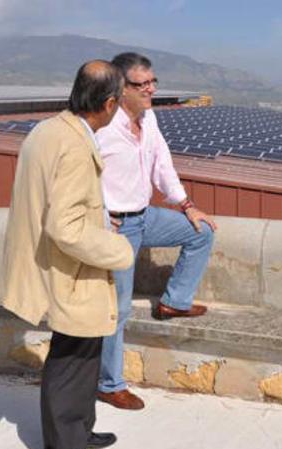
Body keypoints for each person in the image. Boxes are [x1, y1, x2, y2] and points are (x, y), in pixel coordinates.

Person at [0, 60, 134, 449]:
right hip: (68, 274)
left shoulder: (49, 130)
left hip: (53, 268)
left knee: (78, 357)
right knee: (72, 362)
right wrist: (119, 248)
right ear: (109, 103)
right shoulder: (75, 145)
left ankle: (79, 429)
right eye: (120, 102)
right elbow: (66, 226)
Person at [95, 52, 217, 410]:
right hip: (116, 227)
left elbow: (163, 165)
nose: (151, 89)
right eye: (141, 83)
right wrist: (99, 213)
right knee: (116, 309)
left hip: (144, 216)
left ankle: (173, 302)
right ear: (121, 87)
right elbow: (81, 173)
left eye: (153, 81)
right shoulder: (102, 125)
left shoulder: (149, 119)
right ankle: (109, 383)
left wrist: (187, 206)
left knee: (201, 232)